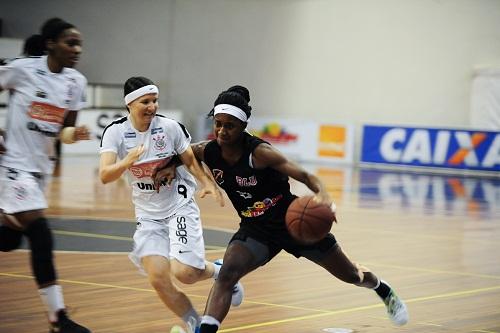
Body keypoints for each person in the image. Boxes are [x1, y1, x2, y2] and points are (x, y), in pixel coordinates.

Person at [153, 85, 409, 333]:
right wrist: (170, 165)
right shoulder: (208, 151)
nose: (221, 131)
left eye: (229, 125)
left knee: (351, 274)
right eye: (217, 124)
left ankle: (383, 289)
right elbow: (185, 153)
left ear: (243, 126)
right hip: (256, 229)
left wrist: (324, 197)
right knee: (226, 275)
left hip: (293, 224)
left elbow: (307, 176)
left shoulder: (261, 153)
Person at [98, 76, 244, 333]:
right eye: (146, 101)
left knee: (186, 273)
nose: (152, 106)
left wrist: (207, 183)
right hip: (148, 214)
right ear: (130, 104)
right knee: (157, 278)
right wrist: (127, 161)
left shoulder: (169, 128)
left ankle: (220, 272)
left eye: (155, 100)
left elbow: (189, 159)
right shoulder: (116, 132)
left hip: (178, 205)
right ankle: (195, 325)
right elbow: (105, 175)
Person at [0, 18, 91, 333]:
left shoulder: (76, 82)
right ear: (50, 43)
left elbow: (64, 129)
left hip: (41, 170)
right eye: (70, 42)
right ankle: (58, 319)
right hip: (12, 165)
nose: (76, 49)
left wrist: (73, 134)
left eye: (79, 44)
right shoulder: (23, 69)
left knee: (9, 239)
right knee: (40, 232)